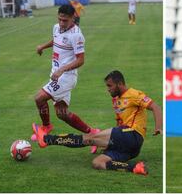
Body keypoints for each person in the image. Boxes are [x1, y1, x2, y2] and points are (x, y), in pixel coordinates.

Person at [32, 70, 163, 175]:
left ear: (120, 83)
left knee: (89, 138)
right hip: (131, 148)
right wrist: (110, 143)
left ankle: (47, 139)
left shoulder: (134, 94)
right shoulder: (117, 100)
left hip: (132, 134)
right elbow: (119, 125)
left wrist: (158, 128)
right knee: (98, 163)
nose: (108, 89)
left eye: (110, 86)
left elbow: (156, 107)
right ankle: (135, 168)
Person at [31, 5, 100, 154]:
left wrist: (62, 69)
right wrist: (43, 46)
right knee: (62, 114)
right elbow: (56, 40)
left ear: (73, 17)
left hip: (66, 77)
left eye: (65, 20)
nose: (62, 23)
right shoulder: (56, 27)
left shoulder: (77, 35)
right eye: (60, 19)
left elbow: (81, 60)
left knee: (39, 98)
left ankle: (46, 127)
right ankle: (93, 132)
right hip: (56, 74)